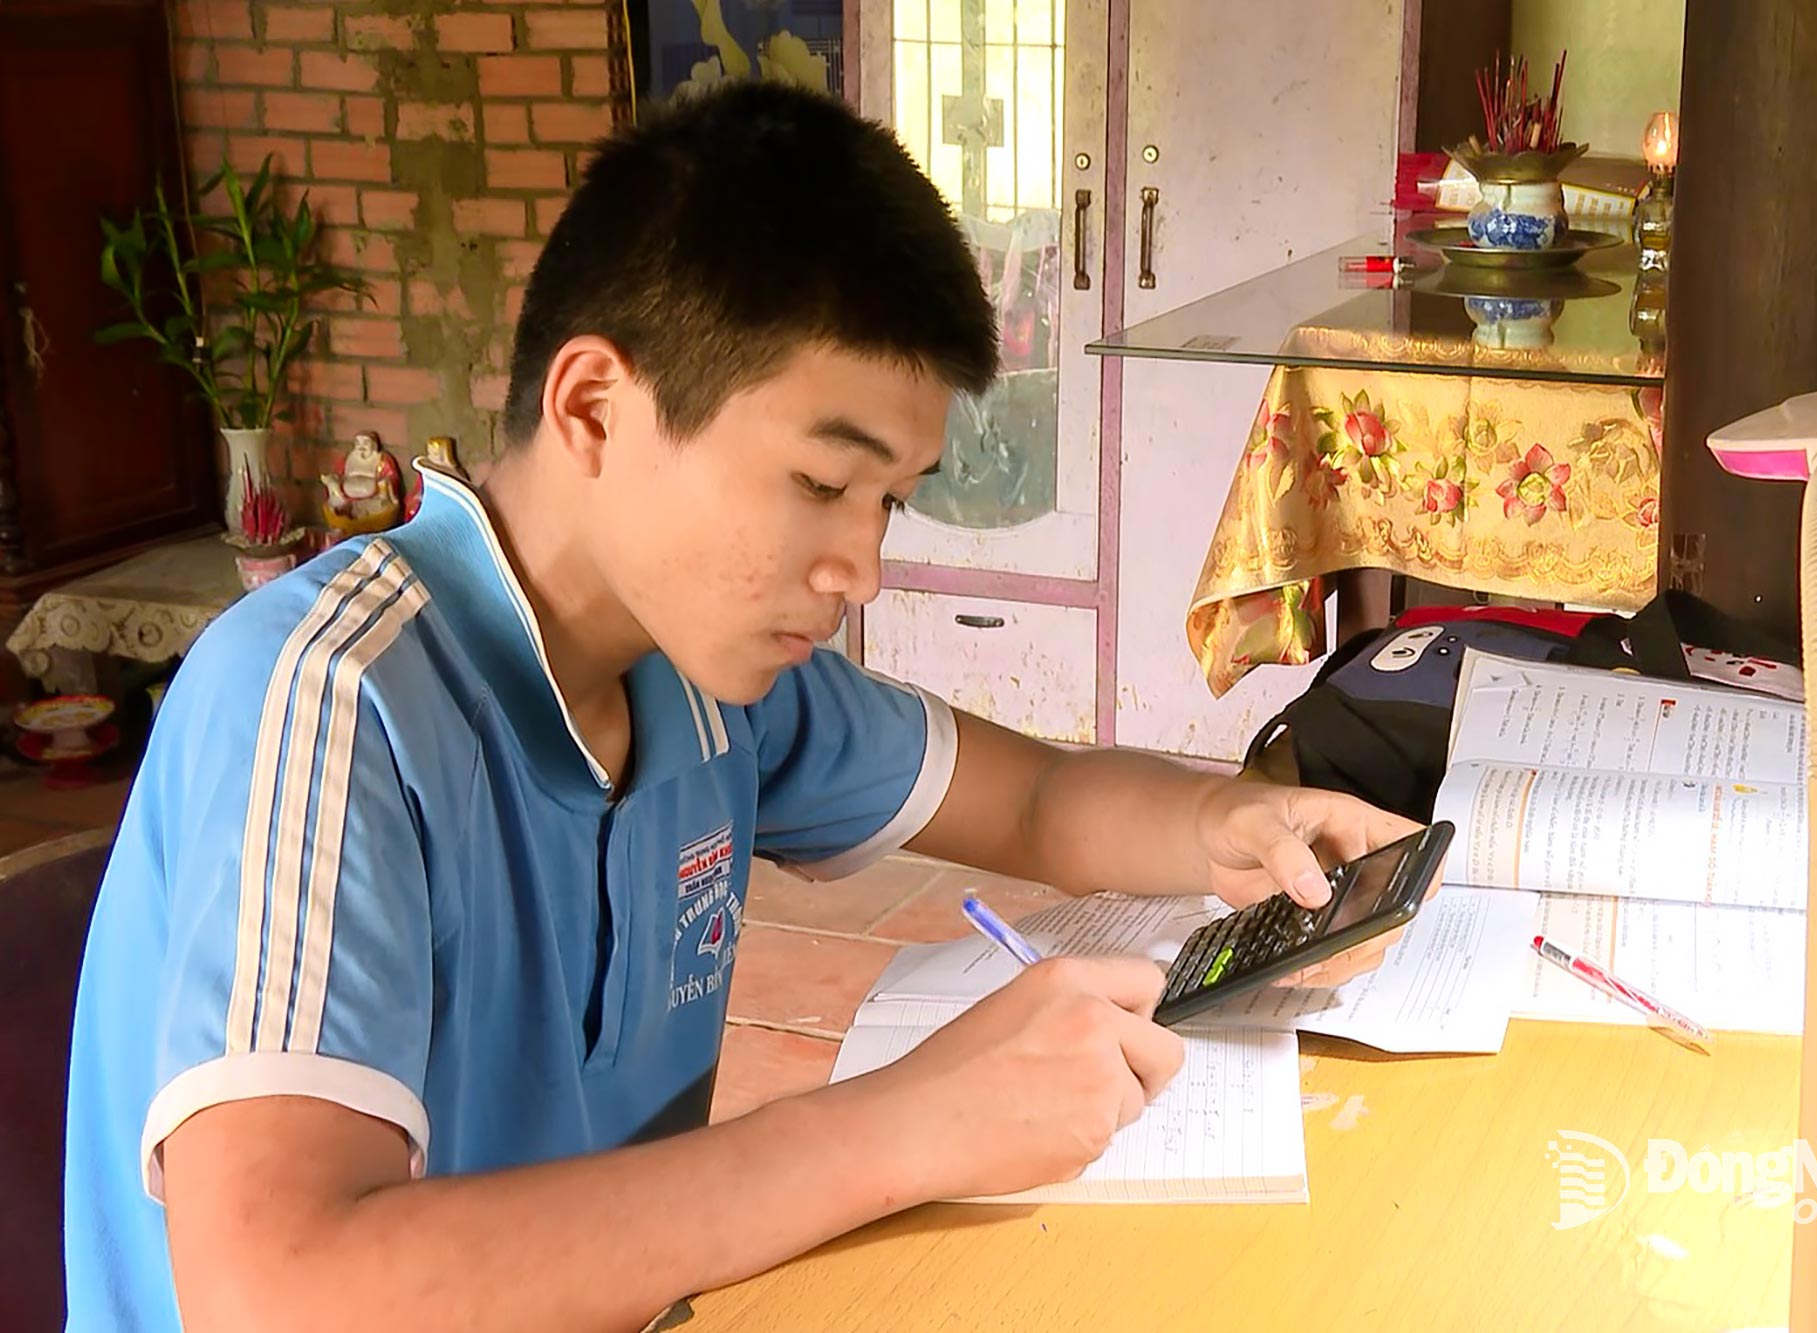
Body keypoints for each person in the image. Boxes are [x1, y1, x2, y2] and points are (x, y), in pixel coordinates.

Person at [63, 81, 1421, 1331]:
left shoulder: (707, 686)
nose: (861, 567)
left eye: (889, 500)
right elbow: (278, 1290)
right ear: (594, 406)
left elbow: (1040, 800)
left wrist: (1233, 819)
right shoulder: (330, 701)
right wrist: (900, 1124)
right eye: (821, 484)